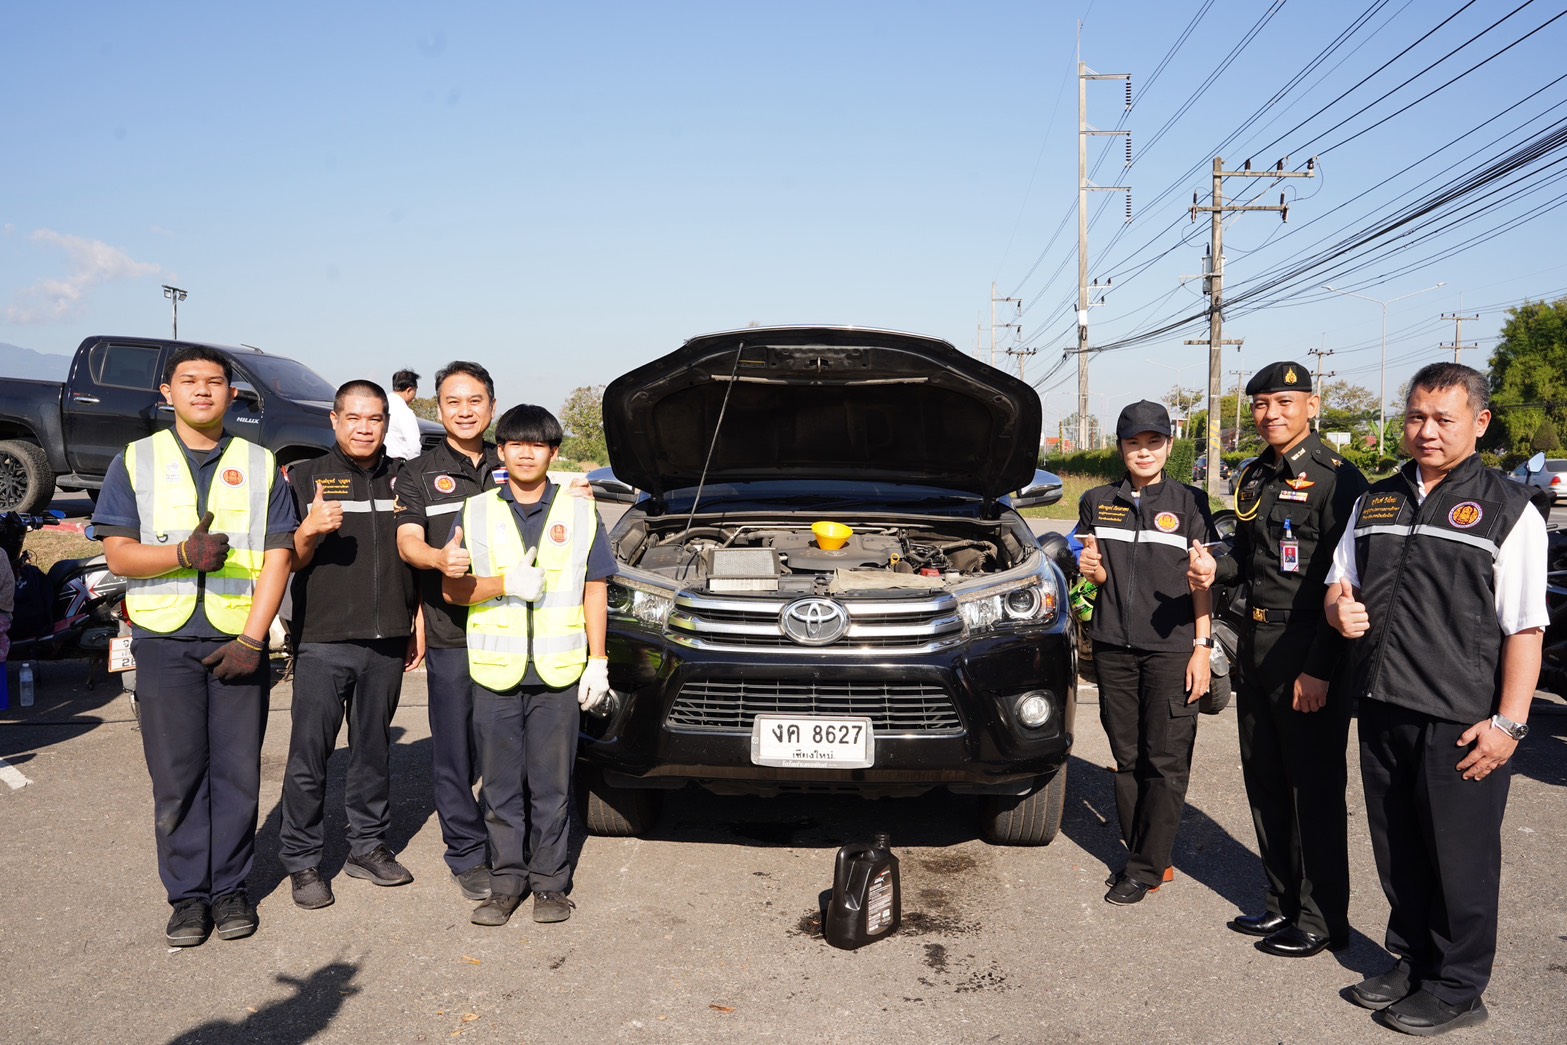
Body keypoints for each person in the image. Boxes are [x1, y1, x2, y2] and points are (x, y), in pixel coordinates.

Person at [1325, 363, 1545, 1036]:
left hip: (1462, 718)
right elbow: (1339, 582)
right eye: (1416, 417)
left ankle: (1457, 986)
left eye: (1443, 419)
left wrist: (1509, 724)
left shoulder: (1509, 509)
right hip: (1382, 701)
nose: (1426, 431)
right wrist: (1338, 612)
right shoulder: (1377, 501)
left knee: (1459, 859)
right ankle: (1413, 959)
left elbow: (1525, 629)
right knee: (1399, 848)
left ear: (1479, 422)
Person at [94, 345, 296, 946]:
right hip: (164, 641)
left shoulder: (261, 464)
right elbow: (118, 555)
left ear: (233, 395)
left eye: (215, 382)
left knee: (236, 773)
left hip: (239, 640)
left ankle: (230, 889)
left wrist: (253, 639)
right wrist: (182, 553)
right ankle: (187, 898)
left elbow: (279, 557)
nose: (202, 391)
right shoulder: (135, 461)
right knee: (177, 776)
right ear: (168, 393)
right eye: (189, 381)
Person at [1188, 361, 1368, 958]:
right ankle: (1280, 901)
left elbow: (1347, 582)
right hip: (1258, 643)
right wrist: (1216, 567)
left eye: (1285, 402)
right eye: (1263, 404)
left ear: (1312, 406)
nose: (1272, 414)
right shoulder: (1257, 475)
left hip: (1309, 646)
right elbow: (1248, 554)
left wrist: (1319, 669)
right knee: (1264, 778)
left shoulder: (1338, 480)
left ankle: (1322, 917)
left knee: (1312, 788)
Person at [442, 404, 614, 926]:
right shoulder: (475, 511)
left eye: (537, 444)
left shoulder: (580, 512)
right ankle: (506, 884)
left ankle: (550, 885)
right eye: (515, 443)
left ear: (553, 453)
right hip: (496, 670)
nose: (525, 453)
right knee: (499, 788)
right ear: (500, 451)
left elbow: (595, 589)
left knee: (551, 787)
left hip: (558, 673)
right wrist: (502, 584)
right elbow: (453, 590)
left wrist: (599, 661)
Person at [279, 379, 424, 909]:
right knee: (310, 756)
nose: (365, 428)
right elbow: (287, 560)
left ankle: (367, 848)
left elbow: (416, 552)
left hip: (387, 639)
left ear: (386, 423)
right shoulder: (304, 477)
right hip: (323, 640)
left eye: (375, 419)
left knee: (372, 751)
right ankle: (302, 861)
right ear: (335, 420)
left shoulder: (405, 478)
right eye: (354, 418)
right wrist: (309, 530)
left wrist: (416, 619)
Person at [1077, 401, 1215, 905]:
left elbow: (1203, 582)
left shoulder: (1191, 502)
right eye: (1133, 443)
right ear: (1121, 448)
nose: (1144, 452)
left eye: (1153, 442)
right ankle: (1150, 854)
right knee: (1128, 756)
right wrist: (1092, 569)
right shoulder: (1096, 501)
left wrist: (1202, 647)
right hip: (1113, 646)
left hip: (1172, 650)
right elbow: (1100, 575)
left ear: (1169, 446)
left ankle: (1143, 868)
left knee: (1165, 758)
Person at [393, 361, 506, 901]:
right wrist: (439, 559)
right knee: (455, 752)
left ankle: (509, 845)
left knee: (506, 747)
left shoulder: (513, 461)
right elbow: (407, 541)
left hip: (512, 631)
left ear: (492, 406)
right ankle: (466, 852)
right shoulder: (418, 473)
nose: (465, 411)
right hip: (451, 631)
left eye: (475, 400)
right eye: (453, 402)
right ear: (438, 408)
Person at [384, 368, 423, 461]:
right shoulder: (405, 412)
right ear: (409, 390)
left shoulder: (381, 404)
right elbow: (414, 447)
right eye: (415, 390)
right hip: (399, 464)